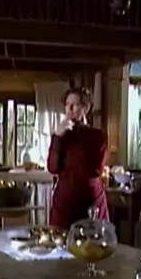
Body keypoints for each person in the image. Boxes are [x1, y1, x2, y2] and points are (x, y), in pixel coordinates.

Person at [47, 87, 109, 230]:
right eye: (67, 105)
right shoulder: (61, 136)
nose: (69, 109)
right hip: (64, 204)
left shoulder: (97, 136)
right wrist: (57, 138)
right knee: (59, 240)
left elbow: (95, 170)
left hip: (89, 201)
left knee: (92, 241)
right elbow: (52, 167)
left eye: (74, 105)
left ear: (85, 108)